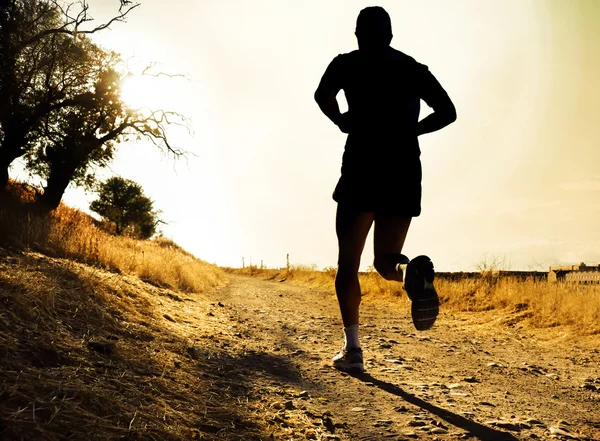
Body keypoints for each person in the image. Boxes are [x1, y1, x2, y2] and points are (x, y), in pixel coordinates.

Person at [314, 6, 456, 373]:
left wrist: (341, 120)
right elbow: (447, 111)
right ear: (391, 36)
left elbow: (321, 95)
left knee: (349, 265)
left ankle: (354, 351)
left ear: (358, 34)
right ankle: (409, 273)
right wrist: (413, 130)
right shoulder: (413, 68)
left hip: (362, 166)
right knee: (385, 261)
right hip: (403, 168)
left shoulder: (345, 64)